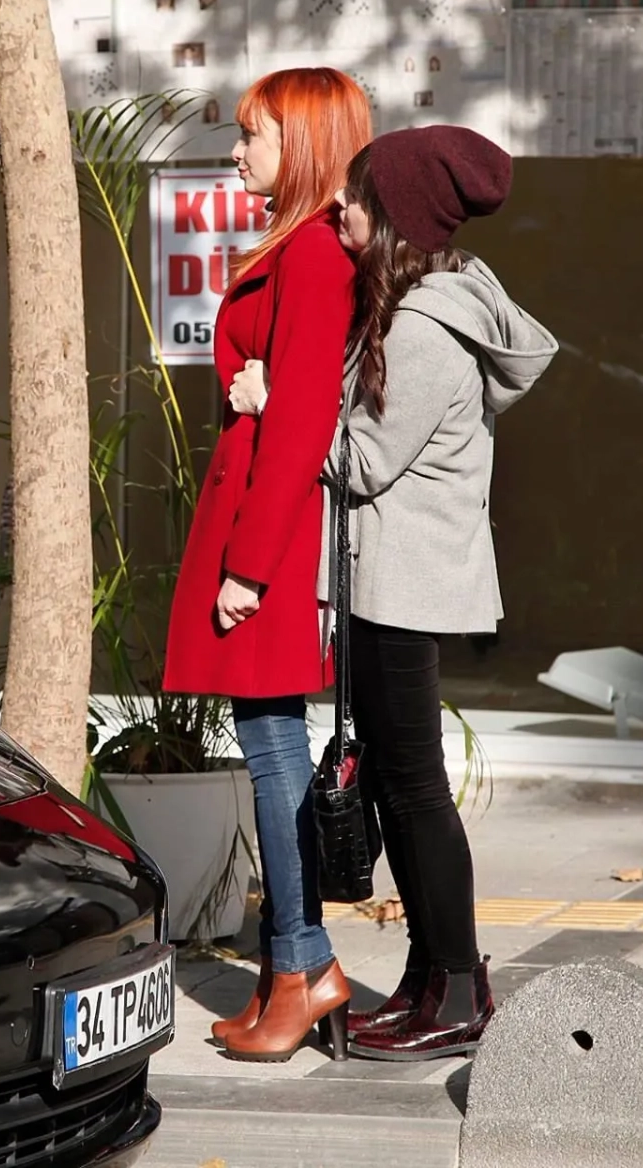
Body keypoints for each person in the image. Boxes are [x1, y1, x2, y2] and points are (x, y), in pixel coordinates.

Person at [228, 126, 556, 1061]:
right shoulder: (420, 304)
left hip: (403, 584)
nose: (341, 208)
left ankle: (456, 985)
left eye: (359, 198)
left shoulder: (422, 328)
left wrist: (274, 405)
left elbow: (366, 463)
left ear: (401, 218)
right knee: (404, 785)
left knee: (415, 791)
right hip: (395, 579)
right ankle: (429, 980)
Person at [162, 66, 372, 1064]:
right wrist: (249, 381)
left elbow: (300, 421)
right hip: (261, 531)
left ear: (309, 144)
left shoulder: (316, 254)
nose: (238, 152)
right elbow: (274, 388)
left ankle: (298, 972)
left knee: (276, 759)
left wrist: (247, 566)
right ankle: (295, 964)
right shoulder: (299, 246)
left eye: (254, 136)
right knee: (268, 751)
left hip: (268, 540)